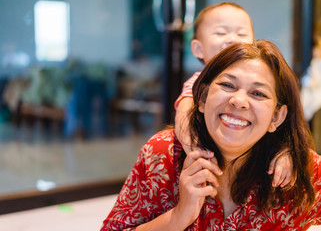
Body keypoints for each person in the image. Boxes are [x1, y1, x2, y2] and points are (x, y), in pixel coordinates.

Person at [101, 40, 321, 230]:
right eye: (227, 85)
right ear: (203, 99)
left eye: (258, 93)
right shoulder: (162, 155)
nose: (239, 101)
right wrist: (179, 216)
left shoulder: (301, 172)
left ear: (277, 117)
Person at [175, 2, 294, 187]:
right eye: (221, 33)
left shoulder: (265, 77)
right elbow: (183, 118)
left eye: (241, 33)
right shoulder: (197, 83)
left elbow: (283, 126)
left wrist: (285, 152)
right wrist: (197, 153)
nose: (232, 39)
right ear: (198, 48)